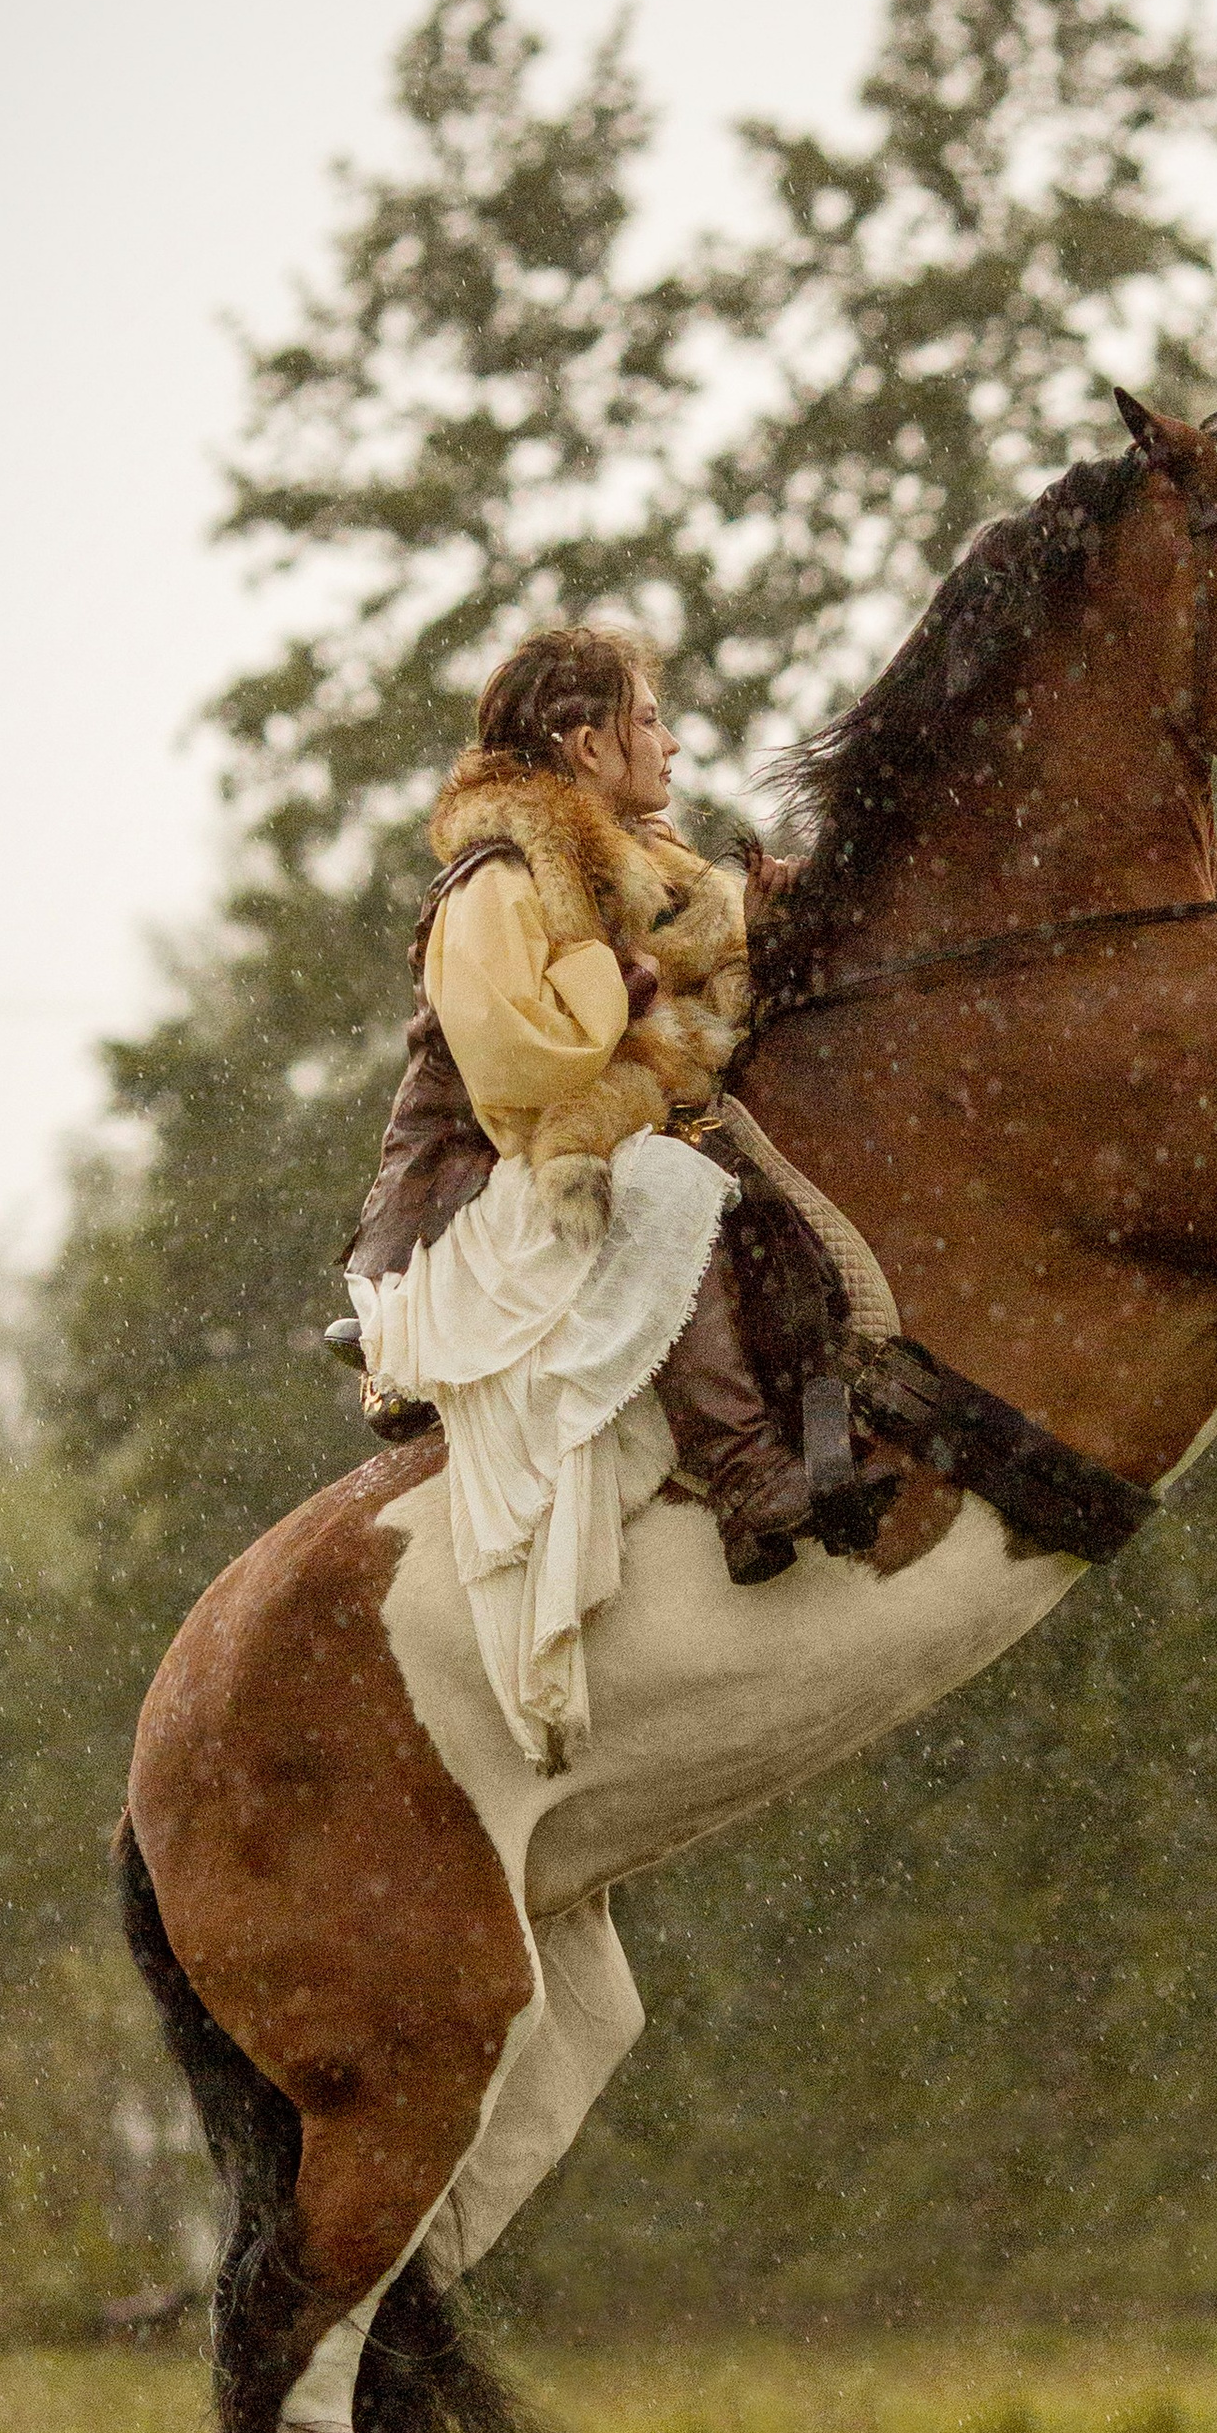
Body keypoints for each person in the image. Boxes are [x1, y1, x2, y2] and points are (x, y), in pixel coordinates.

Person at [339, 626, 816, 1771]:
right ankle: (746, 1474)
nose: (672, 742)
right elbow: (527, 1065)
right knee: (666, 1175)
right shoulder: (497, 881)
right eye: (649, 719)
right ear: (588, 743)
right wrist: (631, 975)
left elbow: (707, 992)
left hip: (575, 1144)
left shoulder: (644, 862)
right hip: (492, 1198)